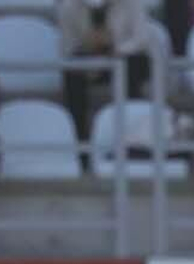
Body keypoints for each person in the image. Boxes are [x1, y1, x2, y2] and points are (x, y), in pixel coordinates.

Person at [58, 0, 158, 157]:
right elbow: (68, 48)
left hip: (125, 57)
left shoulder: (132, 4)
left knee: (133, 67)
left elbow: (141, 39)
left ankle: (132, 139)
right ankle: (80, 144)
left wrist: (115, 50)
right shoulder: (69, 8)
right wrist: (89, 49)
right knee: (72, 74)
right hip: (90, 60)